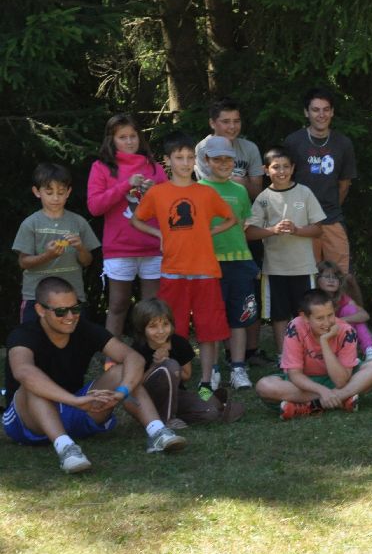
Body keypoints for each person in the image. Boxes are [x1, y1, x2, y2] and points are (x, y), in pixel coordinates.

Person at [4, 277, 186, 473]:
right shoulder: (24, 334)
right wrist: (74, 401)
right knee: (31, 386)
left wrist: (122, 391)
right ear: (40, 310)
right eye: (60, 311)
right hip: (29, 421)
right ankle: (66, 449)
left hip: (77, 408)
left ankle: (157, 431)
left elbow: (133, 357)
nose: (70, 316)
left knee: (120, 371)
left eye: (75, 308)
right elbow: (23, 371)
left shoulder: (83, 328)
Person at [130, 131, 235, 401]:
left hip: (205, 272)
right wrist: (159, 234)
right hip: (173, 272)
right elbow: (137, 219)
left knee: (208, 330)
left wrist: (208, 233)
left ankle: (206, 381)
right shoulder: (157, 192)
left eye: (190, 157)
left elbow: (231, 219)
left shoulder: (206, 192)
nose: (185, 163)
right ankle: (175, 377)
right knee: (171, 329)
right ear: (167, 160)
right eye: (179, 158)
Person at [195, 96, 270, 366]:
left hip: (244, 226)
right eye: (225, 121)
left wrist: (241, 182)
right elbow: (208, 186)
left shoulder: (249, 148)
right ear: (213, 123)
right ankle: (226, 356)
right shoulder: (203, 148)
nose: (232, 126)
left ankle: (250, 351)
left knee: (248, 292)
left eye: (236, 121)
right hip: (215, 238)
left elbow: (257, 190)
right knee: (218, 299)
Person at [86, 113, 167, 337]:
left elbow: (171, 207)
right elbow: (95, 207)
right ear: (111, 140)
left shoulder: (154, 167)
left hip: (153, 246)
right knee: (118, 304)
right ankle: (113, 353)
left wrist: (155, 192)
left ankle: (149, 352)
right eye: (123, 137)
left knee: (152, 308)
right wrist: (124, 186)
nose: (129, 141)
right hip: (119, 248)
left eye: (133, 136)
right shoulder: (101, 167)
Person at [254, 288, 372, 419]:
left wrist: (324, 342)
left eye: (330, 315)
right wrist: (322, 391)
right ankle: (342, 399)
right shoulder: (295, 327)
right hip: (305, 384)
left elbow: (341, 381)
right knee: (264, 386)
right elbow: (295, 374)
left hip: (339, 381)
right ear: (305, 317)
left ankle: (310, 406)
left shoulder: (346, 330)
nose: (327, 323)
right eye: (320, 318)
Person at [243, 146, 326, 354]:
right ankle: (285, 356)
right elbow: (249, 232)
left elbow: (318, 229)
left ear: (293, 168)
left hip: (303, 267)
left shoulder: (304, 192)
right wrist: (272, 230)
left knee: (306, 313)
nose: (281, 171)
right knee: (279, 315)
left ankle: (309, 354)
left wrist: (297, 230)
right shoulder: (263, 198)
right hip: (274, 269)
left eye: (286, 166)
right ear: (265, 170)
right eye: (276, 167)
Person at [198, 136, 258, 390]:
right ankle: (211, 370)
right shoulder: (198, 190)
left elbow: (243, 224)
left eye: (228, 159)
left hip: (240, 261)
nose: (223, 163)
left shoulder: (240, 190)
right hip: (209, 263)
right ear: (206, 160)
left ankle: (238, 368)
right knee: (211, 318)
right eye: (217, 159)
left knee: (239, 317)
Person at [129, 298, 244, 427]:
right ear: (142, 328)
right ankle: (166, 420)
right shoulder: (137, 349)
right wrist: (156, 366)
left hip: (176, 395)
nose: (161, 331)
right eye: (153, 326)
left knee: (210, 413)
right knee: (170, 365)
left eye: (165, 324)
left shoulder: (179, 343)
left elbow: (186, 376)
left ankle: (214, 405)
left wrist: (169, 363)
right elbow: (135, 384)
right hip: (148, 397)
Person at [13, 163, 100, 324]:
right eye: (49, 192)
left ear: (68, 192)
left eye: (60, 192)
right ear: (37, 192)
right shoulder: (30, 223)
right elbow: (23, 262)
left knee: (75, 337)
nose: (55, 198)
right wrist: (48, 255)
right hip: (36, 297)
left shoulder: (79, 222)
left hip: (73, 297)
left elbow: (87, 261)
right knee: (32, 336)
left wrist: (80, 248)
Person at [282, 87, 356, 273]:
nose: (321, 115)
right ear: (306, 112)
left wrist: (325, 210)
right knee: (307, 276)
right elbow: (285, 181)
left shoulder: (343, 143)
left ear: (332, 112)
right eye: (315, 110)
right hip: (302, 222)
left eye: (326, 109)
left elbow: (344, 185)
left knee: (340, 277)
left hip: (332, 219)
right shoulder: (293, 141)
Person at [316, 260, 372, 362]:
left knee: (350, 310)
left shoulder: (342, 298)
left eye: (335, 277)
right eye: (327, 276)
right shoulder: (314, 299)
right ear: (318, 279)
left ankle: (369, 349)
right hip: (324, 336)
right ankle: (347, 355)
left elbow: (364, 315)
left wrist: (340, 320)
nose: (331, 280)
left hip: (341, 332)